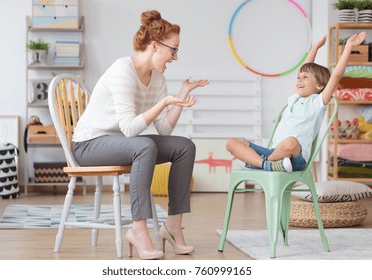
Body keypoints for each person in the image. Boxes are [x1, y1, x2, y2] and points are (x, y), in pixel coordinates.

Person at [72, 10, 209, 260]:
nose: (175, 57)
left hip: (122, 143)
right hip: (89, 144)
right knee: (144, 146)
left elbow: (164, 130)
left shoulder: (158, 79)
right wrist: (165, 101)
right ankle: (138, 229)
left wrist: (178, 97)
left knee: (184, 147)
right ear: (155, 46)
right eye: (173, 50)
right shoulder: (122, 70)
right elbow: (129, 129)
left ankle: (173, 225)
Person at [226, 32, 366, 172]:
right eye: (299, 77)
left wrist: (348, 46)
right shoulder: (295, 98)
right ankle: (267, 165)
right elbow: (305, 67)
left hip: (295, 157)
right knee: (232, 143)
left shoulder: (318, 102)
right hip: (273, 153)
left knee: (290, 142)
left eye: (305, 77)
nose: (299, 79)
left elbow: (336, 75)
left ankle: (257, 163)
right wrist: (315, 48)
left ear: (319, 86)